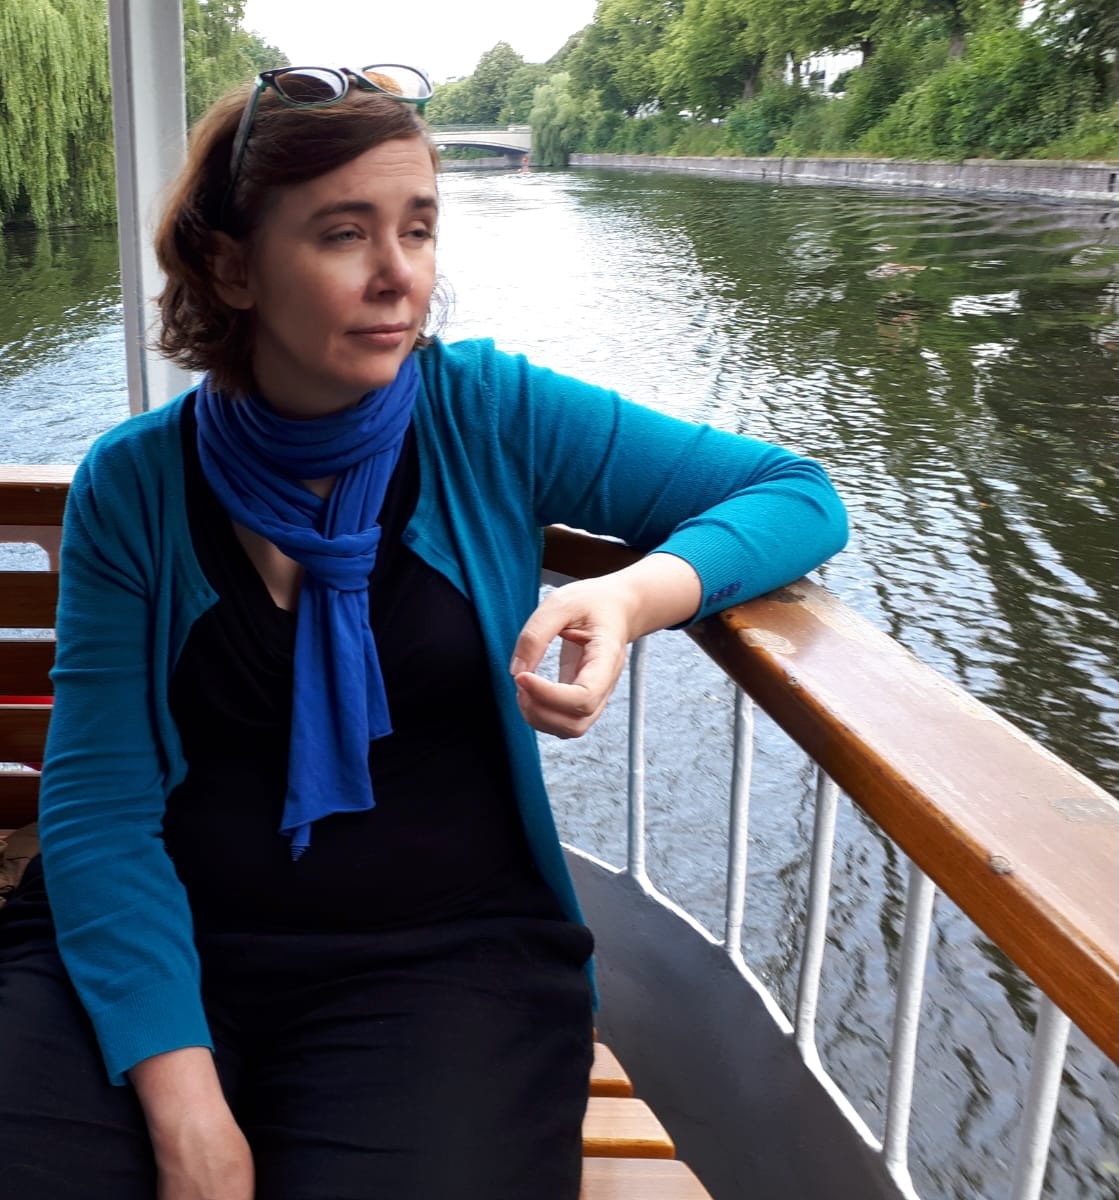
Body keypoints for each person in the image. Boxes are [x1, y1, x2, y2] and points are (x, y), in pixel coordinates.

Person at [0, 64, 848, 1200]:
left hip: (443, 959)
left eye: (419, 228)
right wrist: (188, 1108)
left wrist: (635, 594)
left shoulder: (487, 413)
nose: (400, 276)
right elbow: (99, 806)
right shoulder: (136, 485)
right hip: (155, 937)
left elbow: (794, 494)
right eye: (345, 234)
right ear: (232, 267)